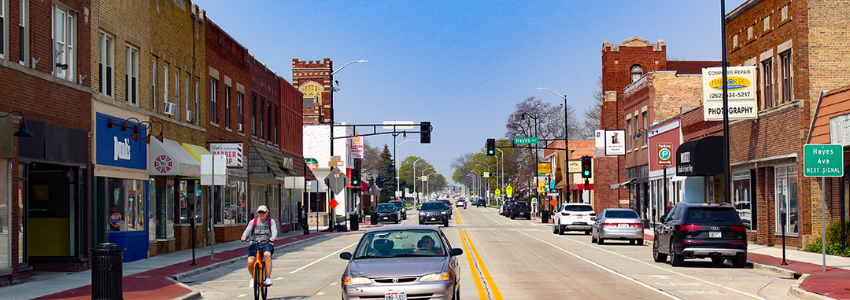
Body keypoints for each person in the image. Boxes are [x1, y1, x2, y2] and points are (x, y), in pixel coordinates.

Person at [241, 205, 278, 288]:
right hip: (255, 243)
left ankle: (268, 278)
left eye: (263, 212)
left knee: (267, 255)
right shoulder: (253, 222)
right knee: (250, 262)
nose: (261, 214)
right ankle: (253, 278)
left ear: (267, 213)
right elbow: (247, 231)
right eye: (260, 212)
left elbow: (274, 231)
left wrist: (273, 237)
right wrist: (244, 236)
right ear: (257, 213)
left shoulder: (270, 221)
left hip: (267, 243)